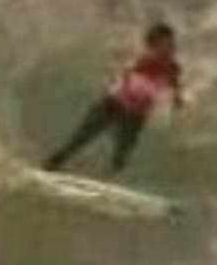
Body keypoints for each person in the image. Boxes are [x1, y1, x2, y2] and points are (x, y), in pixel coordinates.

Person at [43, 22, 185, 175]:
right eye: (165, 43)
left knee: (123, 152)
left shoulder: (173, 67)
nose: (170, 46)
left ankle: (107, 176)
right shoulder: (146, 59)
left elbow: (174, 83)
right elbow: (128, 72)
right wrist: (128, 85)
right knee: (81, 138)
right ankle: (52, 164)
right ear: (154, 44)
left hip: (136, 115)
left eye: (171, 42)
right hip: (113, 104)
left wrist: (177, 98)